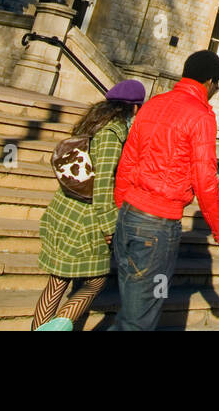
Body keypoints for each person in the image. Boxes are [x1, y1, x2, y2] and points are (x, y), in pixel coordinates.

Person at [111, 50, 219, 330]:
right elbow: (205, 180)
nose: (216, 91)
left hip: (129, 215)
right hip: (158, 226)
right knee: (140, 319)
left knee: (132, 308)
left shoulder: (153, 104)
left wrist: (121, 205)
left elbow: (128, 159)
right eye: (217, 85)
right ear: (210, 82)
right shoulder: (201, 117)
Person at [32, 79, 146, 331]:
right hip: (84, 221)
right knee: (95, 281)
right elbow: (103, 183)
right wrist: (110, 228)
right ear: (135, 108)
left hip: (65, 210)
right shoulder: (113, 133)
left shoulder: (94, 123)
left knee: (57, 282)